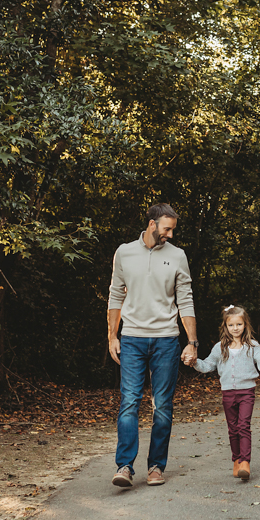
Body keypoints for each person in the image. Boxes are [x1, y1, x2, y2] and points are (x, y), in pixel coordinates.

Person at [107, 203, 199, 488]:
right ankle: (124, 466)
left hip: (166, 340)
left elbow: (185, 299)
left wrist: (192, 341)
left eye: (172, 229)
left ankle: (156, 466)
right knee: (130, 402)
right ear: (151, 225)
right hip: (132, 339)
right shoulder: (124, 252)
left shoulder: (178, 256)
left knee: (162, 406)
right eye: (167, 229)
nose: (170, 235)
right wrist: (112, 336)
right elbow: (115, 296)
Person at [185, 305, 260, 482]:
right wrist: (194, 362)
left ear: (245, 325)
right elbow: (208, 365)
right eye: (231, 325)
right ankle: (236, 459)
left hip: (246, 392)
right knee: (232, 428)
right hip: (228, 393)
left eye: (239, 324)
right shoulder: (220, 347)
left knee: (243, 426)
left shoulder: (252, 346)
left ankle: (245, 462)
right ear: (225, 326)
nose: (235, 328)